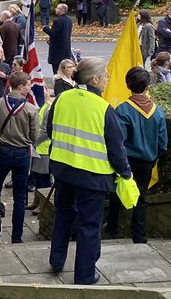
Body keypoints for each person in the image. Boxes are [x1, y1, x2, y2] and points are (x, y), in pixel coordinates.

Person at [45, 57, 133, 285]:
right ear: (94, 79)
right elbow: (117, 149)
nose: (108, 78)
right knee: (89, 226)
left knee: (63, 214)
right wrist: (126, 174)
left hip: (63, 169)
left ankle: (56, 259)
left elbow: (50, 129)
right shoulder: (103, 108)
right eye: (105, 75)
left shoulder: (62, 98)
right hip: (92, 177)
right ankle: (84, 275)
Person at [105, 68, 168, 244]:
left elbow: (118, 140)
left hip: (127, 160)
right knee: (141, 197)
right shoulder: (158, 112)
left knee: (117, 193)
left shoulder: (122, 110)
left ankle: (112, 228)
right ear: (148, 86)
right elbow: (163, 142)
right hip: (148, 161)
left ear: (127, 85)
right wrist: (155, 156)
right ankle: (139, 236)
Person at [0, 71, 40, 243]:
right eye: (29, 85)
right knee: (19, 196)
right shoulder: (31, 109)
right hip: (22, 154)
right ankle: (17, 237)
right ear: (21, 86)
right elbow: (34, 136)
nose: (30, 88)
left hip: (2, 151)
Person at [43, 4, 73, 74]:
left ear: (62, 10)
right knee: (64, 70)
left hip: (57, 50)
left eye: (57, 8)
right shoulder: (69, 20)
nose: (55, 9)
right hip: (66, 49)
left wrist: (45, 28)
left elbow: (53, 33)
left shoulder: (58, 21)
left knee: (56, 70)